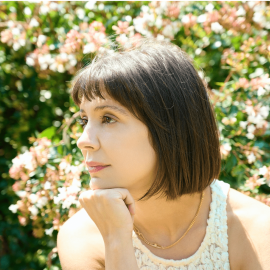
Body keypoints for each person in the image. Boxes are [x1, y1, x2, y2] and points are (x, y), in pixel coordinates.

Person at [57, 38, 270, 270]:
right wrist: (116, 240)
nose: (83, 141)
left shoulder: (256, 229)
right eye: (84, 121)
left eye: (108, 119)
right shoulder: (82, 238)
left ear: (170, 128)